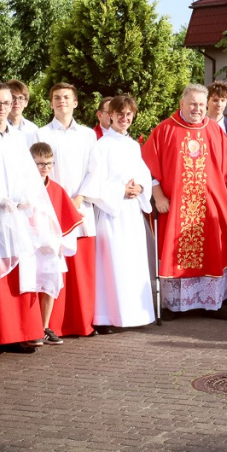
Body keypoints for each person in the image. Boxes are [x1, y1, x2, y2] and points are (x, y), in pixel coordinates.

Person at [0, 83, 64, 361]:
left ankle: (17, 335)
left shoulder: (19, 139)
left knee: (20, 278)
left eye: (6, 103)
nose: (1, 107)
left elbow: (29, 177)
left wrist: (25, 200)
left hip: (17, 217)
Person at [142, 84, 227, 320]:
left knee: (212, 250)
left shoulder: (214, 131)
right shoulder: (164, 130)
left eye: (201, 104)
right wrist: (158, 196)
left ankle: (212, 304)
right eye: (193, 104)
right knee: (177, 252)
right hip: (175, 207)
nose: (197, 109)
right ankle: (176, 305)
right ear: (182, 104)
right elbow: (147, 166)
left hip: (209, 208)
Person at [79, 95, 156, 331]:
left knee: (132, 264)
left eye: (129, 114)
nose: (124, 118)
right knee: (111, 265)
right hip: (112, 213)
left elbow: (144, 175)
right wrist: (120, 190)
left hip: (131, 213)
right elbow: (92, 184)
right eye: (120, 113)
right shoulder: (101, 146)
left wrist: (141, 188)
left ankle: (135, 315)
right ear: (110, 115)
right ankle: (107, 317)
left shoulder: (133, 145)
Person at [34, 83, 98, 339]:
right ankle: (52, 325)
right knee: (53, 267)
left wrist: (79, 197)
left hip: (81, 207)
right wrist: (57, 201)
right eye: (56, 98)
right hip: (51, 210)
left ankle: (82, 323)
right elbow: (36, 171)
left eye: (66, 97)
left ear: (75, 103)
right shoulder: (40, 133)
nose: (62, 101)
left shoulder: (88, 135)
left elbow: (95, 170)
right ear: (51, 103)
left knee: (80, 270)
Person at [29, 142, 84, 345]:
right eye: (40, 164)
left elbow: (68, 219)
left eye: (49, 164)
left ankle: (43, 327)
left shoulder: (57, 190)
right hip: (30, 248)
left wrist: (61, 244)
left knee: (50, 286)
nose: (45, 168)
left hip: (51, 249)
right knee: (30, 287)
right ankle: (30, 328)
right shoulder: (24, 188)